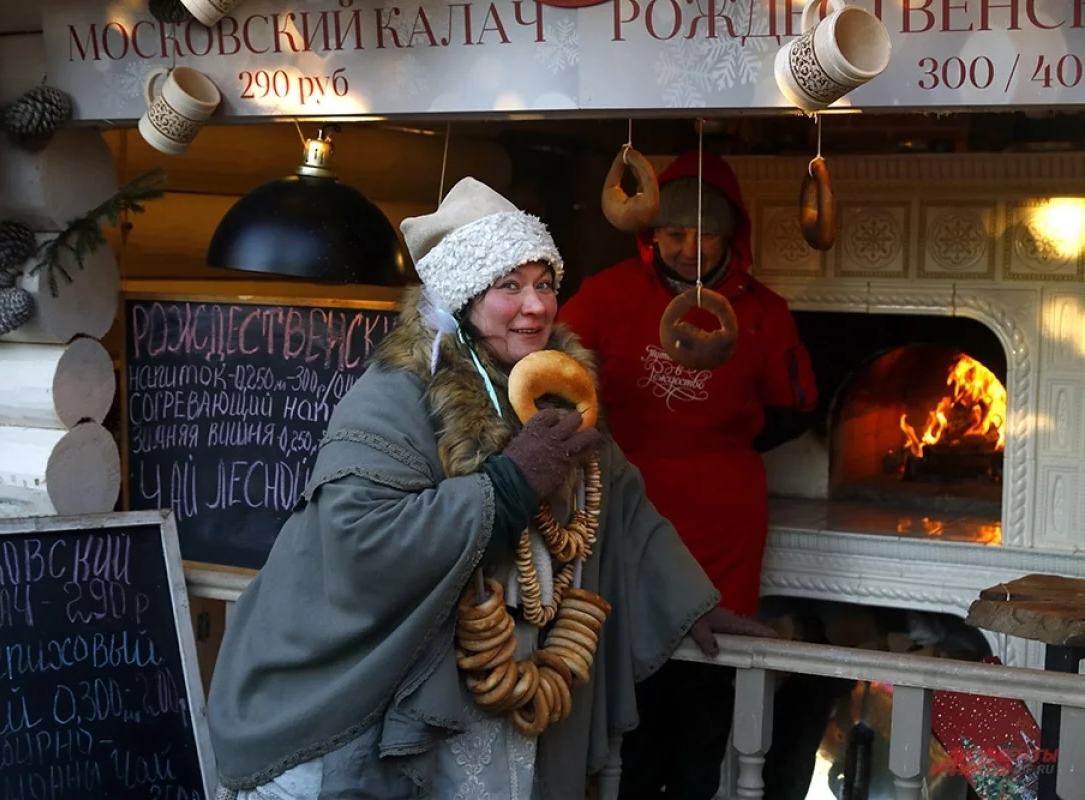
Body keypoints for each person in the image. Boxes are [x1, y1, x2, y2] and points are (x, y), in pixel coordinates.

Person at [205, 176, 774, 800]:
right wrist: (508, 483)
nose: (536, 306)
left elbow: (623, 507)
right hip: (411, 697)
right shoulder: (397, 395)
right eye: (509, 287)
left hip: (511, 708)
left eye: (545, 284)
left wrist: (691, 601)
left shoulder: (559, 389)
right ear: (462, 295)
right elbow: (356, 537)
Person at [558, 150, 820, 800]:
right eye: (673, 233)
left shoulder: (761, 311)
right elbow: (552, 377)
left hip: (723, 517)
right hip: (631, 504)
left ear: (732, 235)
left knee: (711, 680)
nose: (688, 248)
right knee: (639, 676)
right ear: (651, 233)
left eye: (705, 233)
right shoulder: (609, 295)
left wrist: (720, 443)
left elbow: (796, 406)